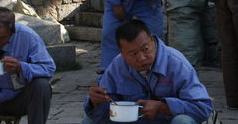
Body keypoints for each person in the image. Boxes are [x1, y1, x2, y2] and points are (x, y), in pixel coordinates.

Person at [82, 19, 212, 124]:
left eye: (145, 49)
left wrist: (163, 107)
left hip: (167, 121)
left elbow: (203, 108)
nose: (141, 58)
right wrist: (95, 102)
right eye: (133, 53)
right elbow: (107, 111)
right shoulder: (117, 65)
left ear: (152, 41)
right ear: (122, 54)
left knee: (182, 121)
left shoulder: (177, 64)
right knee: (89, 121)